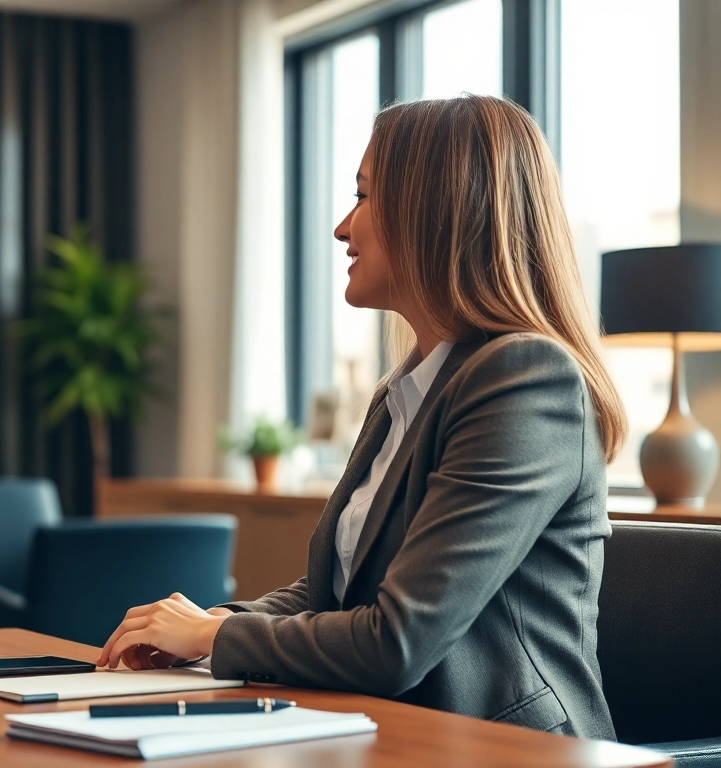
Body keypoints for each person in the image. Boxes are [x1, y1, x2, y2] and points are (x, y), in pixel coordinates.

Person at [98, 95, 626, 740]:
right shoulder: (404, 393)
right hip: (390, 732)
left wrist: (217, 634)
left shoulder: (524, 380)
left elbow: (396, 640)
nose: (343, 228)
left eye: (365, 197)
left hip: (506, 749)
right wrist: (209, 628)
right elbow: (335, 596)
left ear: (435, 210)